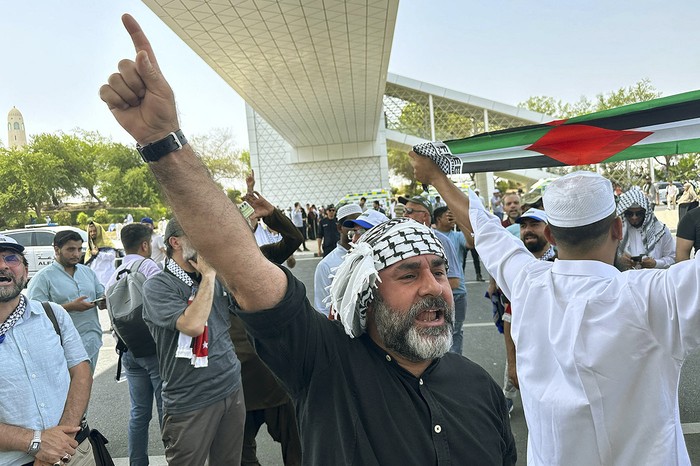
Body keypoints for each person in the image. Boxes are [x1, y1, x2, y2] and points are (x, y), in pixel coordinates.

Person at [99, 15, 516, 464]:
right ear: (367, 294)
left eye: (437, 271)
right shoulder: (325, 364)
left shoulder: (479, 388)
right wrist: (163, 140)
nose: (435, 287)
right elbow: (242, 265)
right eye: (408, 274)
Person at [411, 152, 700, 465]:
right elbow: (485, 228)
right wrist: (437, 178)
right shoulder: (655, 297)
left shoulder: (527, 283)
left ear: (549, 234)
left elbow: (485, 228)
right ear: (617, 229)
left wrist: (437, 178)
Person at [140, 218, 245, 465]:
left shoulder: (215, 276)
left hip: (230, 384)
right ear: (175, 242)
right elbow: (193, 325)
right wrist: (208, 275)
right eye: (196, 235)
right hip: (190, 398)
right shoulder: (158, 286)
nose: (206, 242)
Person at [0, 234, 92, 466]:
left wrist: (61, 442)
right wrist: (36, 443)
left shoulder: (52, 315)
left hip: (74, 453)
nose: (3, 266)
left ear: (25, 270)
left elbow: (81, 372)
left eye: (11, 258)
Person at [105, 223, 163, 466]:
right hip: (153, 350)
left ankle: (137, 462)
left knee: (138, 413)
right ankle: (177, 457)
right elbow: (164, 301)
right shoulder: (149, 266)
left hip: (128, 352)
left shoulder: (114, 272)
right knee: (167, 412)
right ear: (145, 244)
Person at [501, 208, 556, 413]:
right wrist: (513, 364)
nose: (527, 231)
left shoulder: (562, 264)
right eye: (523, 226)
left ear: (549, 231)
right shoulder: (518, 268)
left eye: (534, 225)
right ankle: (507, 396)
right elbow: (510, 319)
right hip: (526, 345)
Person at [28, 230, 105, 372]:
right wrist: (70, 307)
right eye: (71, 249)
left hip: (91, 341)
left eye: (79, 249)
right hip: (61, 347)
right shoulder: (43, 278)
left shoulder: (87, 272)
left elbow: (101, 296)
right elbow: (34, 313)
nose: (76, 254)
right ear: (57, 250)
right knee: (66, 392)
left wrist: (104, 301)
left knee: (85, 388)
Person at [432, 206, 472, 353]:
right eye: (448, 216)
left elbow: (471, 243)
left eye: (453, 215)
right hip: (438, 293)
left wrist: (461, 221)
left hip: (458, 293)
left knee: (456, 331)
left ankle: (455, 363)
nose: (451, 218)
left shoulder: (457, 236)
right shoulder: (431, 236)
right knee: (437, 331)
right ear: (438, 219)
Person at [313, 203, 363, 316]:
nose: (357, 229)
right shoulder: (326, 265)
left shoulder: (372, 256)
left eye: (360, 224)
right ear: (339, 228)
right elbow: (322, 309)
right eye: (351, 224)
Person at [615, 188, 675, 271]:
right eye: (629, 214)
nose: (634, 217)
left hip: (654, 279)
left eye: (639, 213)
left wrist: (656, 263)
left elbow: (673, 258)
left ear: (646, 212)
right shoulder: (615, 232)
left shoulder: (661, 231)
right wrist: (618, 261)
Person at [85, 220, 117, 286]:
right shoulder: (90, 246)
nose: (92, 233)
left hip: (106, 277)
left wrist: (98, 254)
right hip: (94, 279)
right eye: (90, 232)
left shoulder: (107, 244)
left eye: (94, 231)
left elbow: (112, 256)